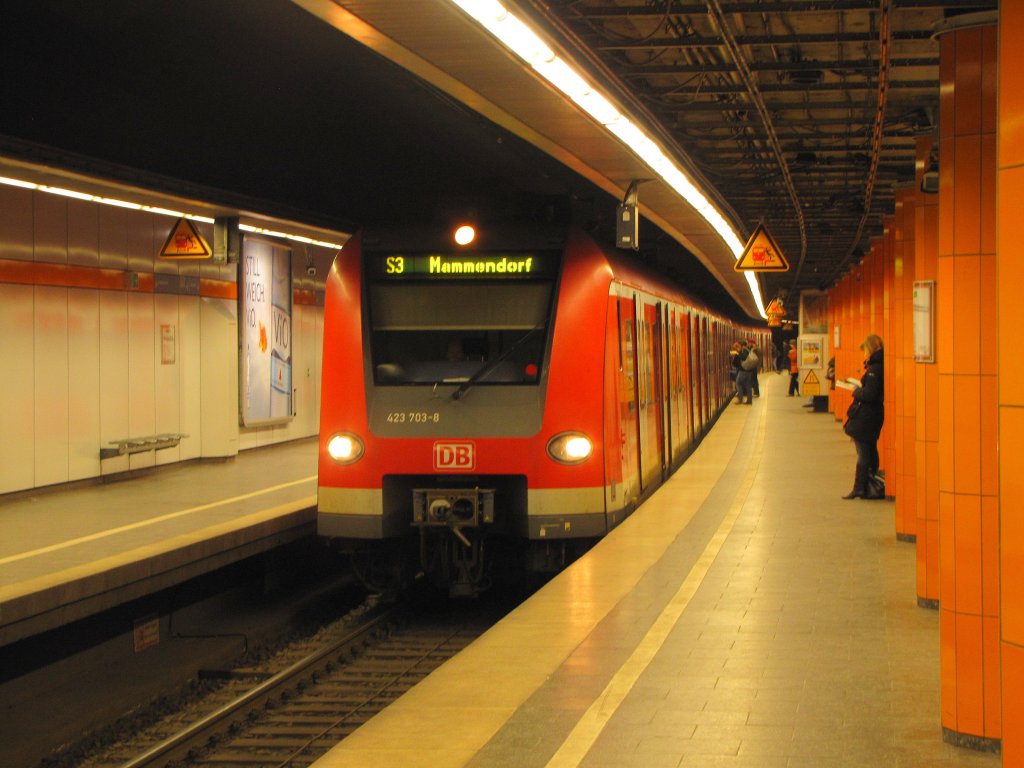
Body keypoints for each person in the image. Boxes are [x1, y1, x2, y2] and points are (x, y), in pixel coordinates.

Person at [841, 334, 885, 500]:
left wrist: (856, 390)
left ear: (870, 349)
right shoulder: (879, 366)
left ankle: (859, 488)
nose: (864, 355)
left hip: (867, 415)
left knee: (864, 453)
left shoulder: (875, 369)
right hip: (873, 415)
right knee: (870, 450)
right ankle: (870, 484)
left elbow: (870, 394)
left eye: (865, 351)